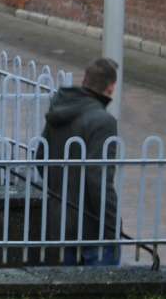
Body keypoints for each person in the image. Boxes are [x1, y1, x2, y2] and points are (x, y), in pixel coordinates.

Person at [40, 57, 122, 266]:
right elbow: (99, 180)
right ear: (111, 87)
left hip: (59, 224)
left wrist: (60, 196)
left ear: (85, 80)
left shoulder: (59, 109)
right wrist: (113, 227)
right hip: (92, 230)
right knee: (100, 295)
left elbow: (41, 158)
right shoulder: (103, 122)